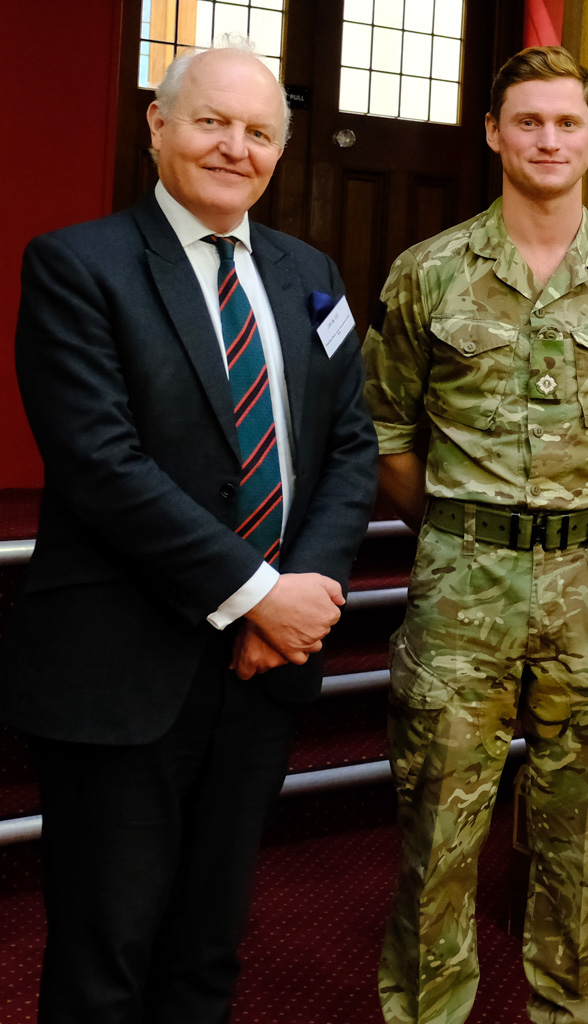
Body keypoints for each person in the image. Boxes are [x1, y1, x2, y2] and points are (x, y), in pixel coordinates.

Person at [1, 38, 377, 1022]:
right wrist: (259, 593)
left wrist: (304, 596)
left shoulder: (311, 276)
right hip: (125, 665)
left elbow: (350, 444)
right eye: (211, 120)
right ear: (157, 125)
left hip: (259, 674)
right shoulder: (78, 266)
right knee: (105, 957)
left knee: (209, 949)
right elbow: (101, 466)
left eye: (258, 132)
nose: (233, 147)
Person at [361, 46, 588, 1024]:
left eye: (567, 122)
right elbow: (388, 431)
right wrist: (468, 534)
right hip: (462, 589)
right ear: (495, 133)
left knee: (579, 851)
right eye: (529, 121)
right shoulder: (428, 273)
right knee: (436, 844)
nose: (549, 139)